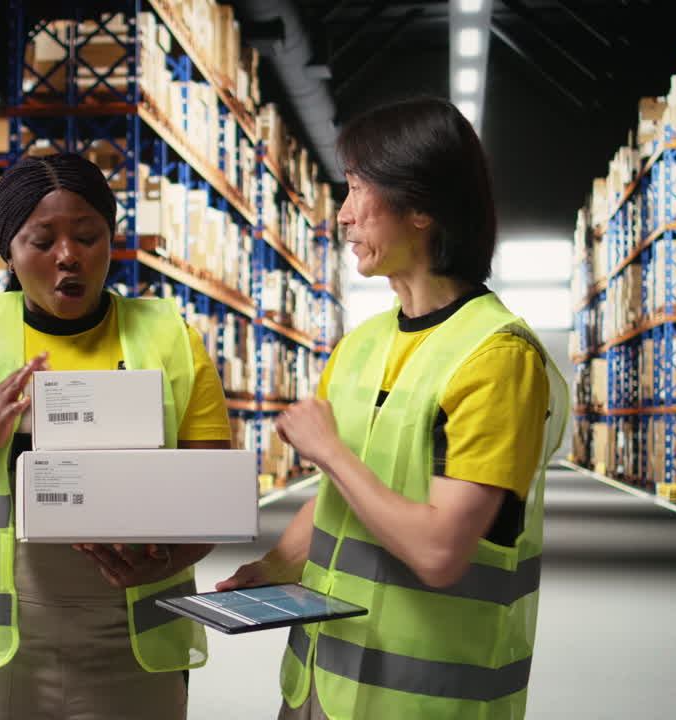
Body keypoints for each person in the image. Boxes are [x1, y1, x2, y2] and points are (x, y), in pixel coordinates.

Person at [218, 96, 568, 719]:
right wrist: (274, 566)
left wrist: (329, 450)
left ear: (422, 207)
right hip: (321, 683)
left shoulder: (496, 358)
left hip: (424, 702)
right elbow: (339, 500)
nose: (344, 215)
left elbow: (440, 552)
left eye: (358, 188)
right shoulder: (359, 347)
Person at [0, 152, 233, 720]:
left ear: (111, 239)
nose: (69, 256)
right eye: (42, 241)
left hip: (134, 650)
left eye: (88, 237)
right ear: (8, 252)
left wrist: (165, 561)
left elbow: (215, 500)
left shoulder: (172, 341)